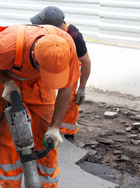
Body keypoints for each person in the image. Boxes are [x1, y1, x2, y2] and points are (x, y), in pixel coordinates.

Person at [0, 24, 80, 188]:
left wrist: (55, 127)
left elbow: (67, 87)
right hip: (4, 78)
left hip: (40, 83)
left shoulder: (67, 47)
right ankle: (10, 186)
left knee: (46, 136)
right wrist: (7, 82)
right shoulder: (7, 45)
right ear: (35, 56)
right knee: (4, 135)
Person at [31, 6, 91, 143]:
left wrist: (82, 87)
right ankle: (45, 127)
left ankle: (68, 133)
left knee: (70, 98)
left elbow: (86, 62)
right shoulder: (42, 33)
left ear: (54, 27)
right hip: (50, 64)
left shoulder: (74, 36)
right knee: (45, 98)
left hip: (69, 66)